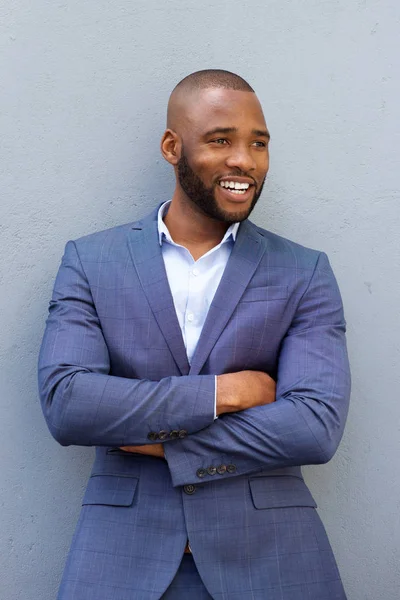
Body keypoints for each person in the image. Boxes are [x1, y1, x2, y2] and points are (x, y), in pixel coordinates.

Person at [38, 69, 351, 600]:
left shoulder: (304, 271)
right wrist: (224, 394)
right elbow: (69, 405)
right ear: (171, 146)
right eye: (220, 140)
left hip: (274, 559)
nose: (244, 161)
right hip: (122, 559)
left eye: (259, 144)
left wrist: (159, 444)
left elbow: (315, 427)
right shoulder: (91, 262)